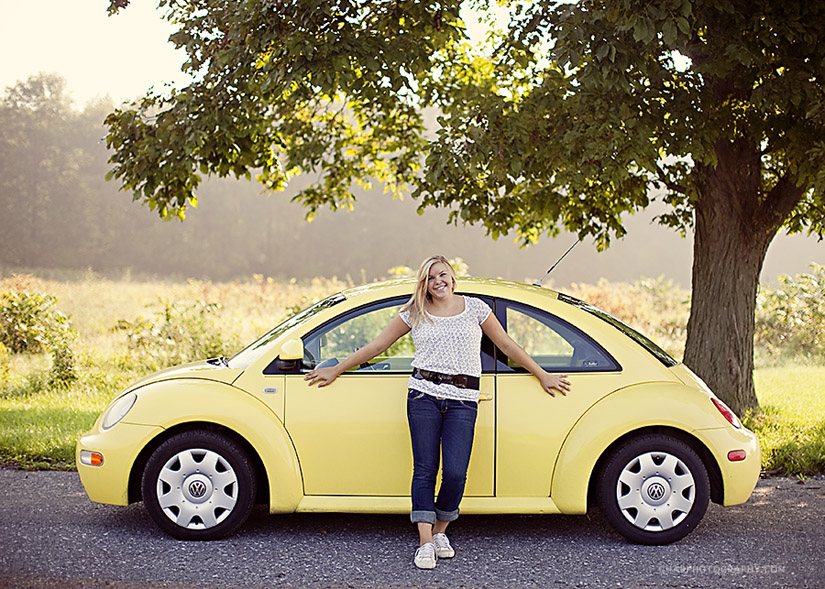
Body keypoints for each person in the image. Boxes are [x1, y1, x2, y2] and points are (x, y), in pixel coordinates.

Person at [305, 255, 571, 569]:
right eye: (430, 278)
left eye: (442, 275)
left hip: (463, 400)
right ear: (424, 283)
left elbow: (507, 346)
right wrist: (336, 368)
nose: (438, 282)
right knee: (425, 469)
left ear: (452, 277)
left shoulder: (476, 309)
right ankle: (425, 542)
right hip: (423, 396)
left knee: (456, 472)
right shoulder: (414, 312)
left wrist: (542, 374)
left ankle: (440, 530)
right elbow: (377, 346)